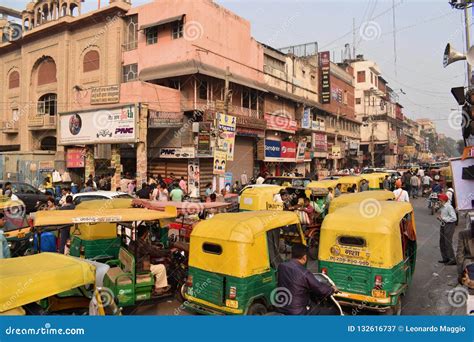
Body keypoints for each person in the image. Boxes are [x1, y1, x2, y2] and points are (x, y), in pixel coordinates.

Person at [277, 244, 337, 315]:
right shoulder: (304, 273)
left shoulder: (281, 266)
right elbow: (320, 288)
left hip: (280, 307)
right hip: (298, 312)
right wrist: (332, 289)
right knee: (333, 312)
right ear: (304, 257)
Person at [129, 226, 171, 295]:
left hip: (136, 265)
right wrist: (169, 251)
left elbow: (148, 249)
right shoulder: (141, 244)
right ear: (145, 233)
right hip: (140, 268)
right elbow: (156, 253)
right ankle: (159, 289)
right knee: (161, 267)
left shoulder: (134, 241)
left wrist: (153, 248)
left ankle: (155, 284)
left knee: (153, 263)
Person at [437, 193, 457, 265]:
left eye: (440, 199)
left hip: (449, 225)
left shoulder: (449, 207)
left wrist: (443, 218)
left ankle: (452, 259)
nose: (438, 200)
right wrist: (441, 219)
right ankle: (445, 258)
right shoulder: (443, 206)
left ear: (443, 200)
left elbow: (454, 218)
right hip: (443, 225)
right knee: (442, 242)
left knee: (447, 242)